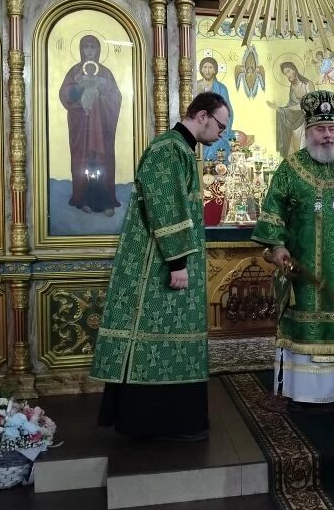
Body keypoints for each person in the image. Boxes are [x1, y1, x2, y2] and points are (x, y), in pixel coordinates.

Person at [90, 92, 229, 441]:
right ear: (202, 116)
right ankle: (155, 422)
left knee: (173, 338)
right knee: (155, 336)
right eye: (220, 125)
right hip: (156, 266)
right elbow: (165, 207)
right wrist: (177, 261)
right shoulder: (168, 150)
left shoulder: (180, 150)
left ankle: (173, 420)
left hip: (165, 261)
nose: (222, 134)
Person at [253, 90, 334, 405]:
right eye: (320, 129)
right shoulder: (290, 169)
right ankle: (303, 392)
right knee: (304, 324)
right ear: (308, 131)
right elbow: (273, 212)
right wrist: (277, 247)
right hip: (303, 272)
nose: (327, 135)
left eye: (331, 128)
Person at [59, 35, 123, 217]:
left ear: (98, 50)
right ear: (81, 50)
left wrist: (101, 92)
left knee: (102, 161)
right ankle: (82, 199)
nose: (89, 51)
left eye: (92, 47)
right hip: (81, 126)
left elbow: (116, 98)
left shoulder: (106, 73)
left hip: (101, 128)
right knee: (83, 161)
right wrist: (78, 89)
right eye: (86, 47)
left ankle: (106, 201)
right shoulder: (74, 72)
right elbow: (64, 95)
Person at [269, 61, 314, 156]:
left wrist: (282, 109)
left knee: (303, 151)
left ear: (294, 70)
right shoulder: (292, 86)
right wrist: (280, 109)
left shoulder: (308, 84)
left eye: (288, 71)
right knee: (294, 152)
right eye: (285, 74)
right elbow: (290, 104)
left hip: (306, 123)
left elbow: (309, 105)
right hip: (295, 123)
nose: (288, 75)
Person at [195, 56, 236, 162]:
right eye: (205, 67)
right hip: (198, 126)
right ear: (201, 69)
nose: (207, 70)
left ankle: (216, 169)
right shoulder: (195, 86)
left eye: (210, 67)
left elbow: (227, 111)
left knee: (218, 143)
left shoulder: (221, 88)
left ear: (214, 70)